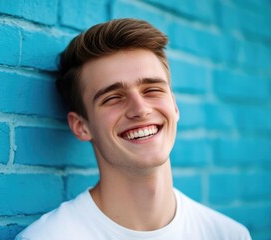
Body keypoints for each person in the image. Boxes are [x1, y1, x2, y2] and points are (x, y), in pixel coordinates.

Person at [15, 18, 251, 240]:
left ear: (175, 106)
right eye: (113, 98)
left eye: (152, 90)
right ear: (81, 126)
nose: (140, 109)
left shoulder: (227, 234)